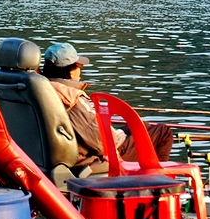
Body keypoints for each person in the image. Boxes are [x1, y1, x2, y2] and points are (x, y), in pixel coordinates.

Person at [40, 43, 172, 169]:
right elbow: (103, 143)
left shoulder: (43, 91)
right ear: (70, 71)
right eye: (79, 66)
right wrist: (120, 136)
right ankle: (159, 180)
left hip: (70, 151)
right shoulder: (71, 99)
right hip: (92, 159)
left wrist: (120, 133)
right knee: (162, 132)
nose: (80, 71)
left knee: (142, 126)